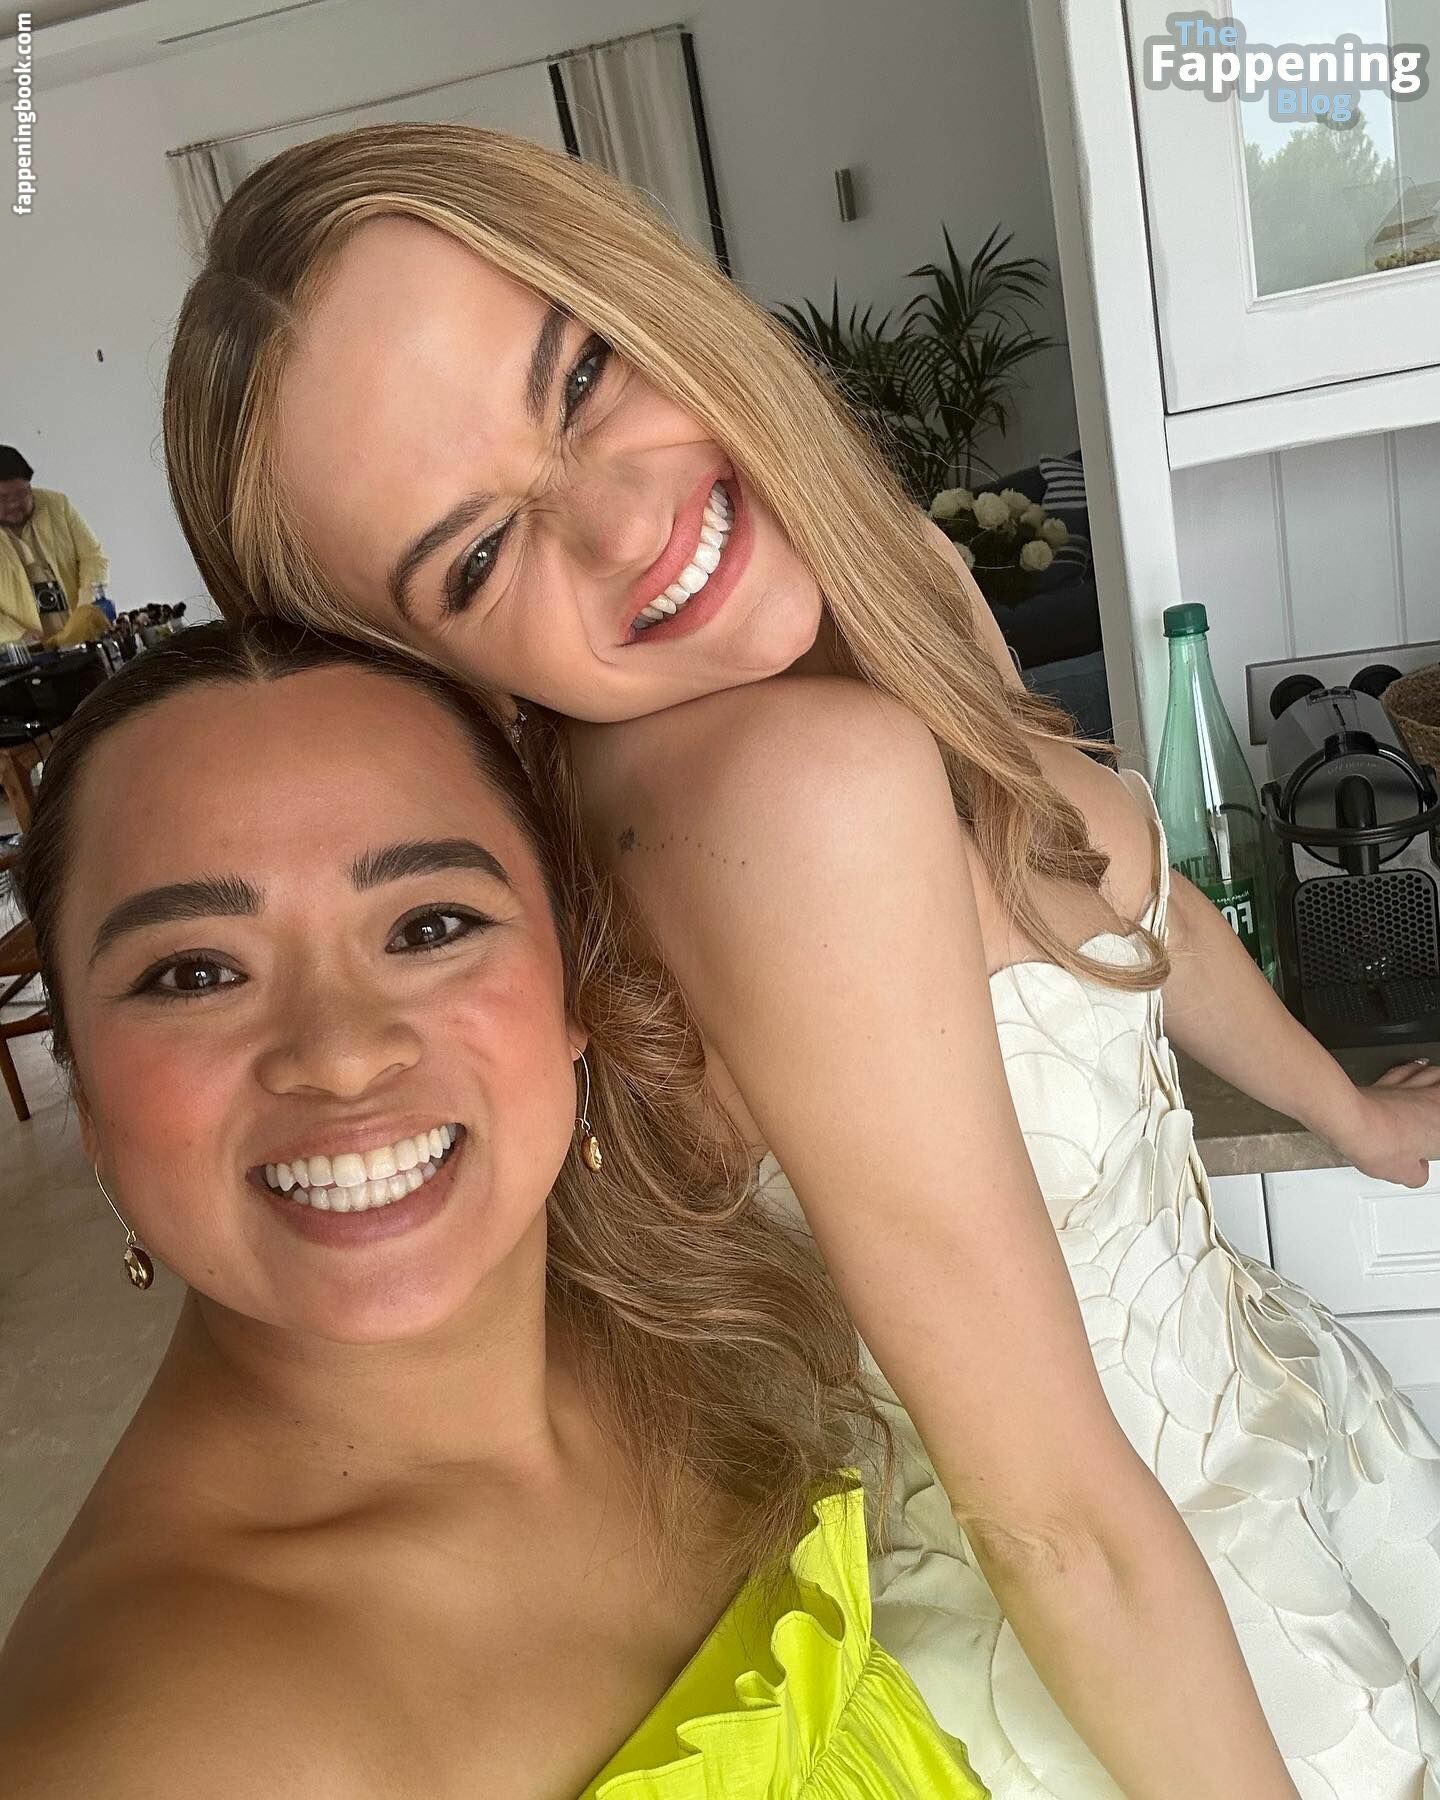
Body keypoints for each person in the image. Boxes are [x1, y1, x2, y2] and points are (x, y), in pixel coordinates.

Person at [161, 123, 1440, 1796]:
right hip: (1147, 1656)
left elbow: (1127, 905)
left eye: (584, 379)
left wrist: (1355, 1120)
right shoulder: (788, 798)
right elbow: (1053, 1521)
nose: (627, 523)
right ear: (423, 674)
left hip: (1273, 1443)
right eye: (476, 558)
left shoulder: (873, 587)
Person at [0, 619, 986, 1799]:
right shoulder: (148, 1752)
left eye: (429, 927)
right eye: (196, 973)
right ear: (86, 1094)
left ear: (576, 985)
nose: (342, 1055)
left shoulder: (684, 1340)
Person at [0, 446, 110, 646]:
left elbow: (93, 557)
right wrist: (18, 635)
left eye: (22, 493)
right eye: (4, 498)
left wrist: (87, 606)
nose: (15, 504)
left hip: (82, 635)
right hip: (23, 649)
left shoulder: (57, 504)